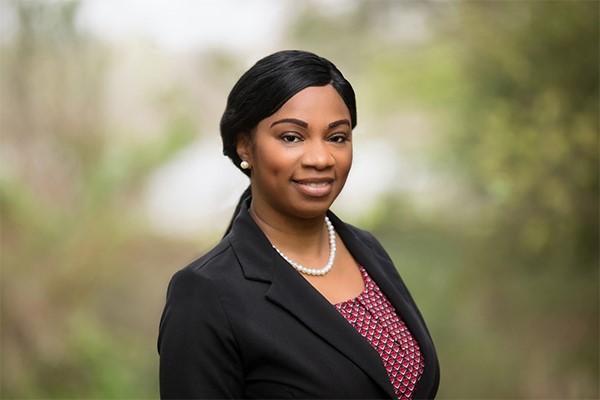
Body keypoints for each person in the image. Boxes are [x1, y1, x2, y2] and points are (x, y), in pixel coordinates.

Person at [158, 50, 440, 399]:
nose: (321, 159)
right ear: (245, 145)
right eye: (292, 137)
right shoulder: (206, 293)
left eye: (337, 137)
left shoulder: (367, 250)